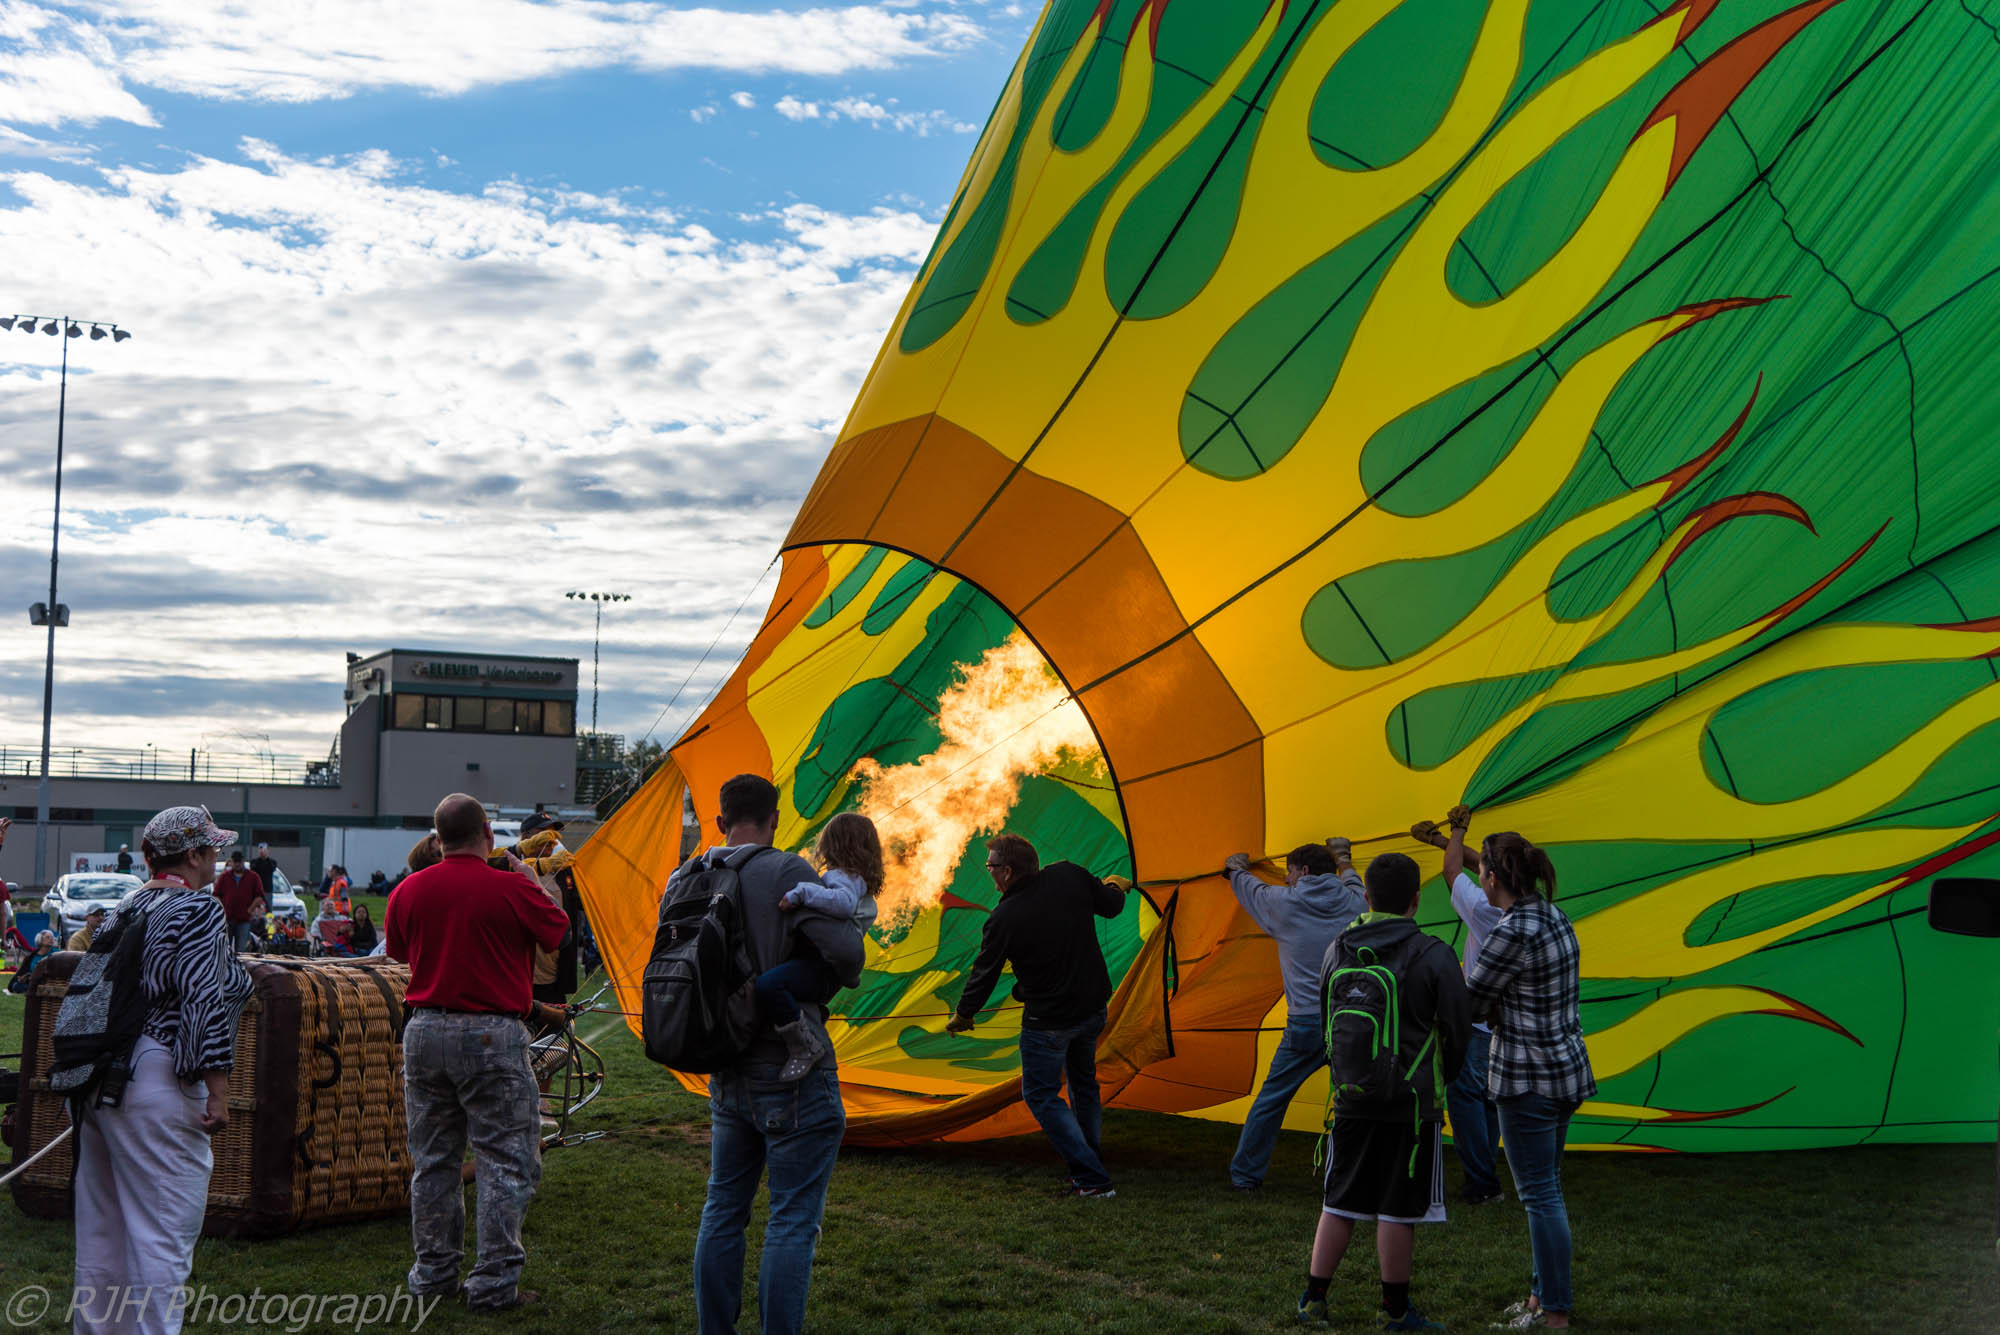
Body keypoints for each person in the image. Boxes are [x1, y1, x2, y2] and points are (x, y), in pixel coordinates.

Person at [685, 775, 865, 1335]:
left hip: (724, 1063)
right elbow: (846, 953)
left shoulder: (688, 876)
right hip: (786, 1070)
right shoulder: (786, 869)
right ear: (775, 819)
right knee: (791, 1219)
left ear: (719, 822)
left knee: (722, 1211)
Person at [71, 804, 253, 1335]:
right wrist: (217, 1088)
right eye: (211, 849)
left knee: (101, 1234)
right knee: (160, 1237)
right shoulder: (198, 909)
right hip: (160, 1072)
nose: (218, 858)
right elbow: (202, 997)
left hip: (100, 1078)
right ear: (192, 855)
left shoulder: (129, 904)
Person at [387, 792, 568, 1313]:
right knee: (505, 1161)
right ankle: (492, 1284)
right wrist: (534, 884)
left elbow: (401, 951)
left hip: (423, 1032)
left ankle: (433, 1275)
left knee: (433, 1163)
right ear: (488, 834)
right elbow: (557, 934)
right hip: (492, 1034)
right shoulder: (511, 886)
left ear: (438, 837)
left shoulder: (408, 890)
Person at [1297, 852, 1468, 1331]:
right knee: (1398, 1207)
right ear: (1416, 900)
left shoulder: (1337, 949)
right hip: (1412, 1106)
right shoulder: (1433, 953)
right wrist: (1441, 1080)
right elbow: (1458, 1027)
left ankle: (1314, 1298)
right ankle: (1394, 1311)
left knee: (1339, 1200)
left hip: (1350, 1096)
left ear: (1366, 897)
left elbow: (1325, 1022)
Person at [1456, 811, 1594, 1331]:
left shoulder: (1512, 930)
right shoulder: (1555, 917)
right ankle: (1539, 1298)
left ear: (1491, 876)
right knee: (1547, 1188)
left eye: (1484, 873)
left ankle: (1554, 1312)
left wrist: (1477, 998)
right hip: (1566, 1069)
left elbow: (1470, 1003)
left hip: (1527, 1078)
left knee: (1539, 1195)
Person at [946, 833, 1131, 1198]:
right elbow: (1111, 905)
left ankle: (1092, 1178)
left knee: (1041, 1094)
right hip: (1092, 1008)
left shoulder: (1004, 917)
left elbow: (985, 972)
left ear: (1008, 872)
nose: (989, 874)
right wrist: (1115, 887)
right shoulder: (1070, 875)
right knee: (1083, 1084)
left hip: (1048, 1023)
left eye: (991, 867)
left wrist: (964, 1014)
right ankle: (1089, 1163)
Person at [1220, 838, 1367, 1190]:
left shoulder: (1282, 904)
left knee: (1272, 1100)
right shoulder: (1355, 902)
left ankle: (1245, 1176)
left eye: (1288, 873)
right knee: (1354, 1103)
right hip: (1351, 1021)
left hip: (1306, 1023)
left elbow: (1245, 882)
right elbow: (1353, 879)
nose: (1285, 880)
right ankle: (1354, 1176)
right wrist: (1344, 855)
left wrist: (1235, 866)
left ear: (1302, 871)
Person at [1412, 815, 1507, 1204]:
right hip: (1511, 1026)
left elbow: (1454, 869)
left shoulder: (1485, 913)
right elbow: (1473, 865)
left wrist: (1456, 828)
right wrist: (1436, 839)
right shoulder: (1528, 903)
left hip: (1483, 1022)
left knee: (1465, 1095)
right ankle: (1487, 1174)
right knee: (1490, 1098)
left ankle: (1482, 1183)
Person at [754, 811, 882, 1081]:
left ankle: (804, 1047)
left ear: (834, 844)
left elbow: (843, 904)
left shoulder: (843, 878)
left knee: (769, 984)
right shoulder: (858, 881)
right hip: (829, 969)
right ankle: (810, 1020)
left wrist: (801, 892)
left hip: (823, 966)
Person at [213, 849, 265, 953]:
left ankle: (240, 968)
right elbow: (216, 895)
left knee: (241, 950)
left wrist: (250, 909)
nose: (237, 864)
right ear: (231, 862)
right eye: (235, 861)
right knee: (225, 949)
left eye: (239, 861)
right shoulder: (224, 877)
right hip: (227, 919)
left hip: (244, 919)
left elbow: (259, 896)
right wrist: (222, 909)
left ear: (243, 862)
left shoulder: (253, 877)